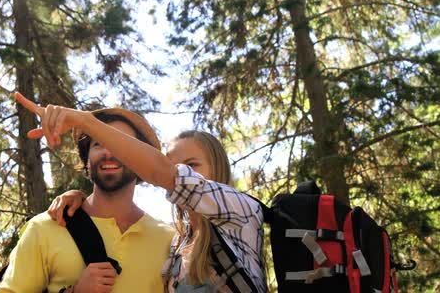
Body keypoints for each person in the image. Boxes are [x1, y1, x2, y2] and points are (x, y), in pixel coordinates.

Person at [26, 98, 267, 292]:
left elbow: (164, 172)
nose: (185, 174)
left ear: (218, 167)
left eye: (192, 165)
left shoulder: (242, 213)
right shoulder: (176, 244)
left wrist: (86, 121)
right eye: (98, 144)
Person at [0, 92, 174, 293]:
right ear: (86, 160)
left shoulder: (169, 240)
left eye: (121, 145)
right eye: (98, 143)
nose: (109, 152)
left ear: (141, 159)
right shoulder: (44, 228)